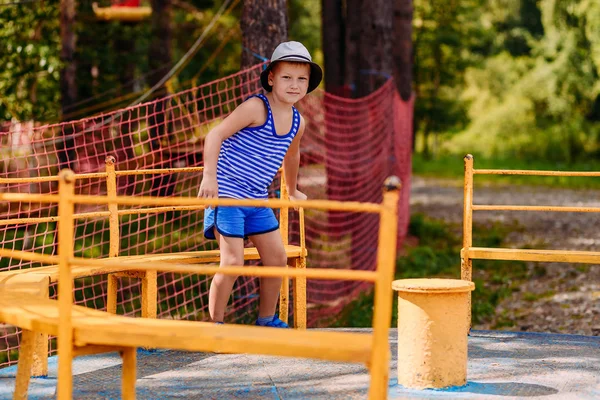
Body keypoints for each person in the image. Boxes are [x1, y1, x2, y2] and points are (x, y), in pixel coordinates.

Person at [198, 41, 323, 327]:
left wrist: (291, 191)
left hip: (257, 199)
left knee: (277, 258)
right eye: (287, 77)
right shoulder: (256, 107)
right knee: (232, 263)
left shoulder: (297, 121)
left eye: (301, 79)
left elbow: (292, 156)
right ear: (271, 78)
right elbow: (214, 136)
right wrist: (209, 175)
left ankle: (266, 319)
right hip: (228, 195)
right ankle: (214, 325)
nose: (294, 85)